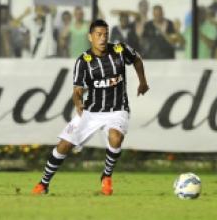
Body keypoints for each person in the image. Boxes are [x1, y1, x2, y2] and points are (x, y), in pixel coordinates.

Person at [32, 19, 150, 195]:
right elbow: (77, 90)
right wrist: (77, 101)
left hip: (117, 109)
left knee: (115, 138)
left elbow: (137, 60)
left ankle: (106, 177)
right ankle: (43, 183)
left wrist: (143, 82)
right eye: (98, 35)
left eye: (105, 34)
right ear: (90, 37)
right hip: (91, 111)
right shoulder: (83, 61)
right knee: (64, 145)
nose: (103, 38)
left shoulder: (120, 50)